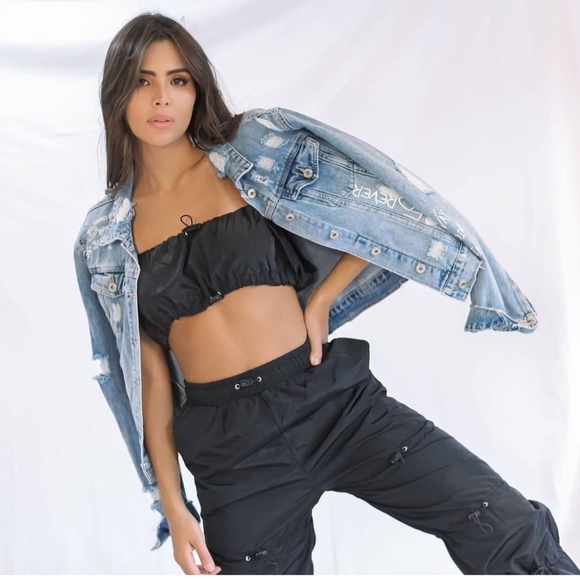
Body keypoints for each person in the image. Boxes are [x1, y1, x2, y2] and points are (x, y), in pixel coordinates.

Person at [74, 12, 580, 575]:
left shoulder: (252, 149)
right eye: (142, 81)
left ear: (197, 88)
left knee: (502, 523)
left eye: (178, 80)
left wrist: (320, 302)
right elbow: (147, 378)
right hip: (232, 455)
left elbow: (371, 210)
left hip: (332, 402)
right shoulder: (105, 238)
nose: (161, 98)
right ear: (117, 93)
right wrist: (173, 505)